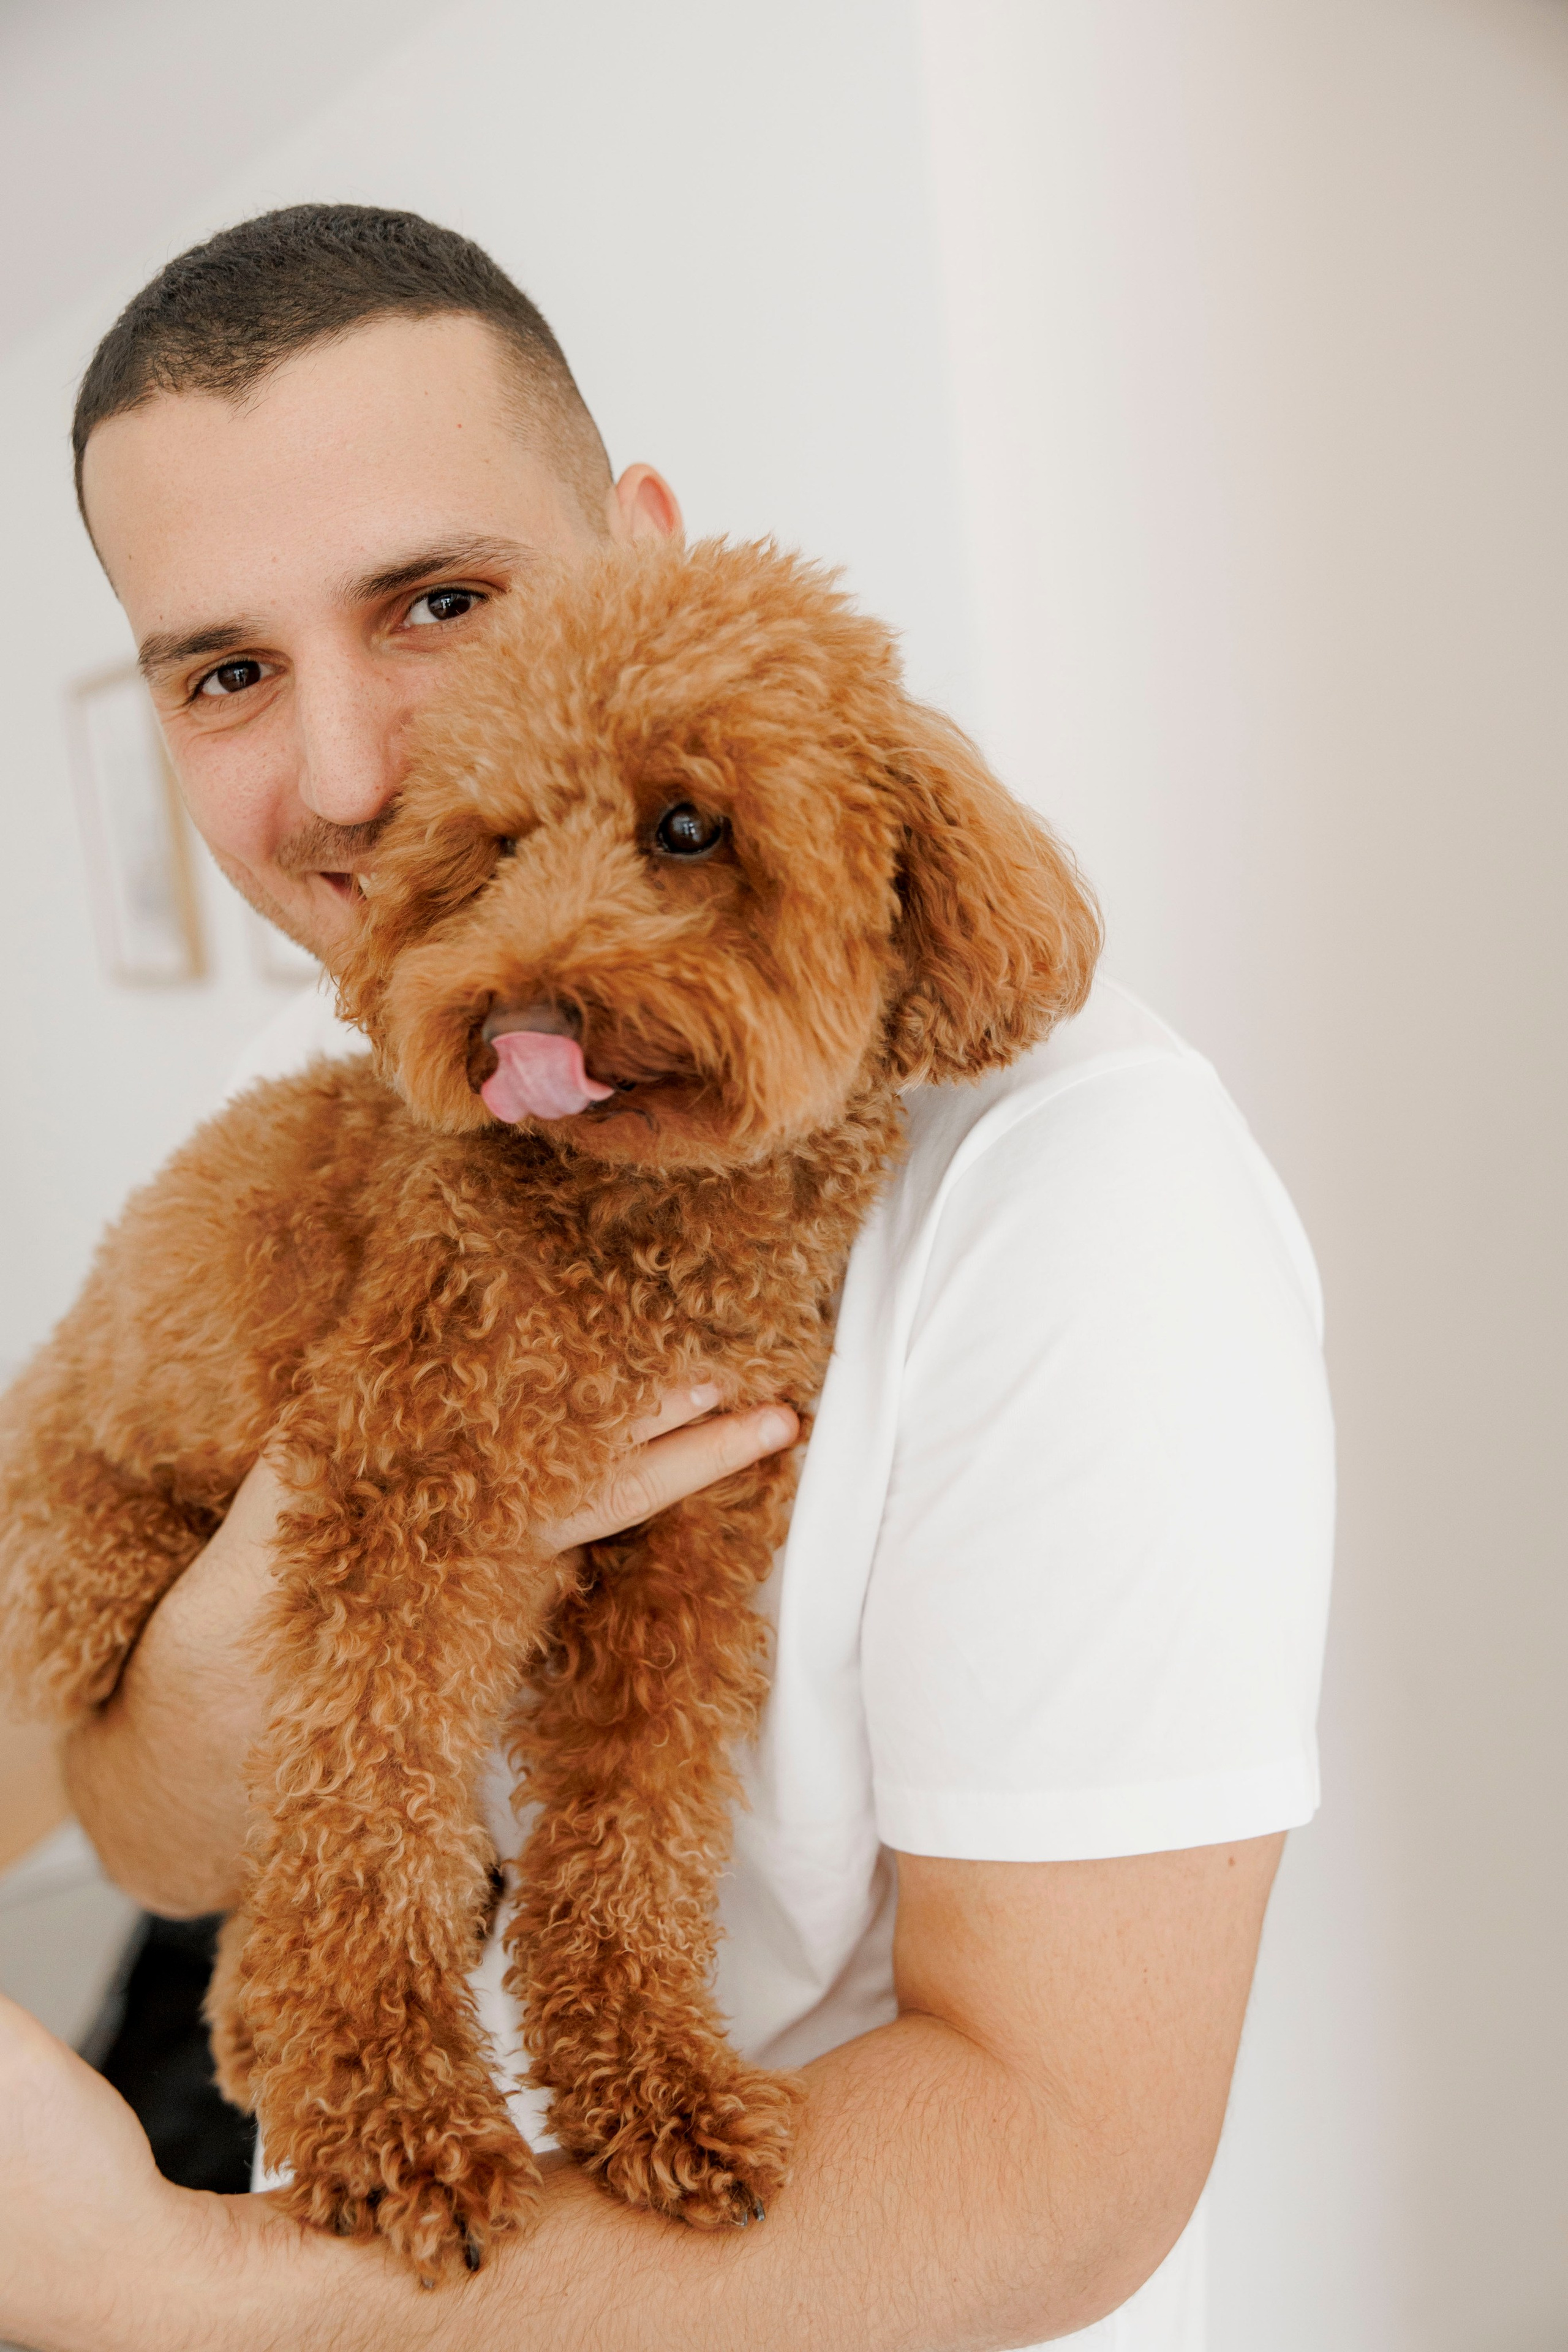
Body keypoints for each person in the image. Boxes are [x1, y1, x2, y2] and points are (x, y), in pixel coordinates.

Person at [0, 206, 1333, 2352]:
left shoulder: (1091, 1201)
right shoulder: (371, 1041)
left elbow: (1064, 2156)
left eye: (438, 600)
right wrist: (284, 1586)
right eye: (228, 671)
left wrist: (172, 2293)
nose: (347, 783)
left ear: (642, 547)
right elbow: (143, 1826)